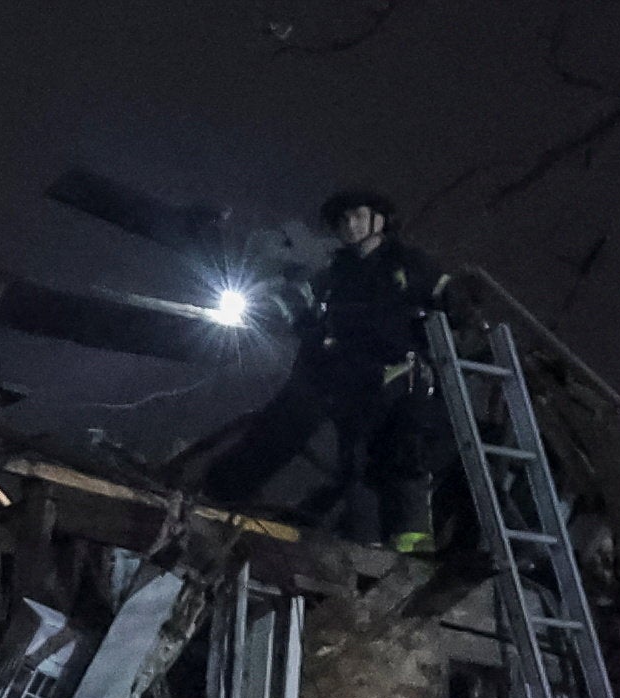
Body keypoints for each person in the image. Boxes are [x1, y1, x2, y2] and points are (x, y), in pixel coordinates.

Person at [186, 182, 453, 551]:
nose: (351, 225)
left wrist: (460, 311)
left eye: (359, 216)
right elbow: (300, 299)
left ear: (380, 220)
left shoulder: (408, 264)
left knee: (383, 460)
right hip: (338, 372)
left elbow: (449, 299)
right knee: (283, 426)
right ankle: (218, 493)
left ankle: (398, 548)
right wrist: (271, 312)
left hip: (391, 379)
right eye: (343, 219)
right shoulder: (335, 270)